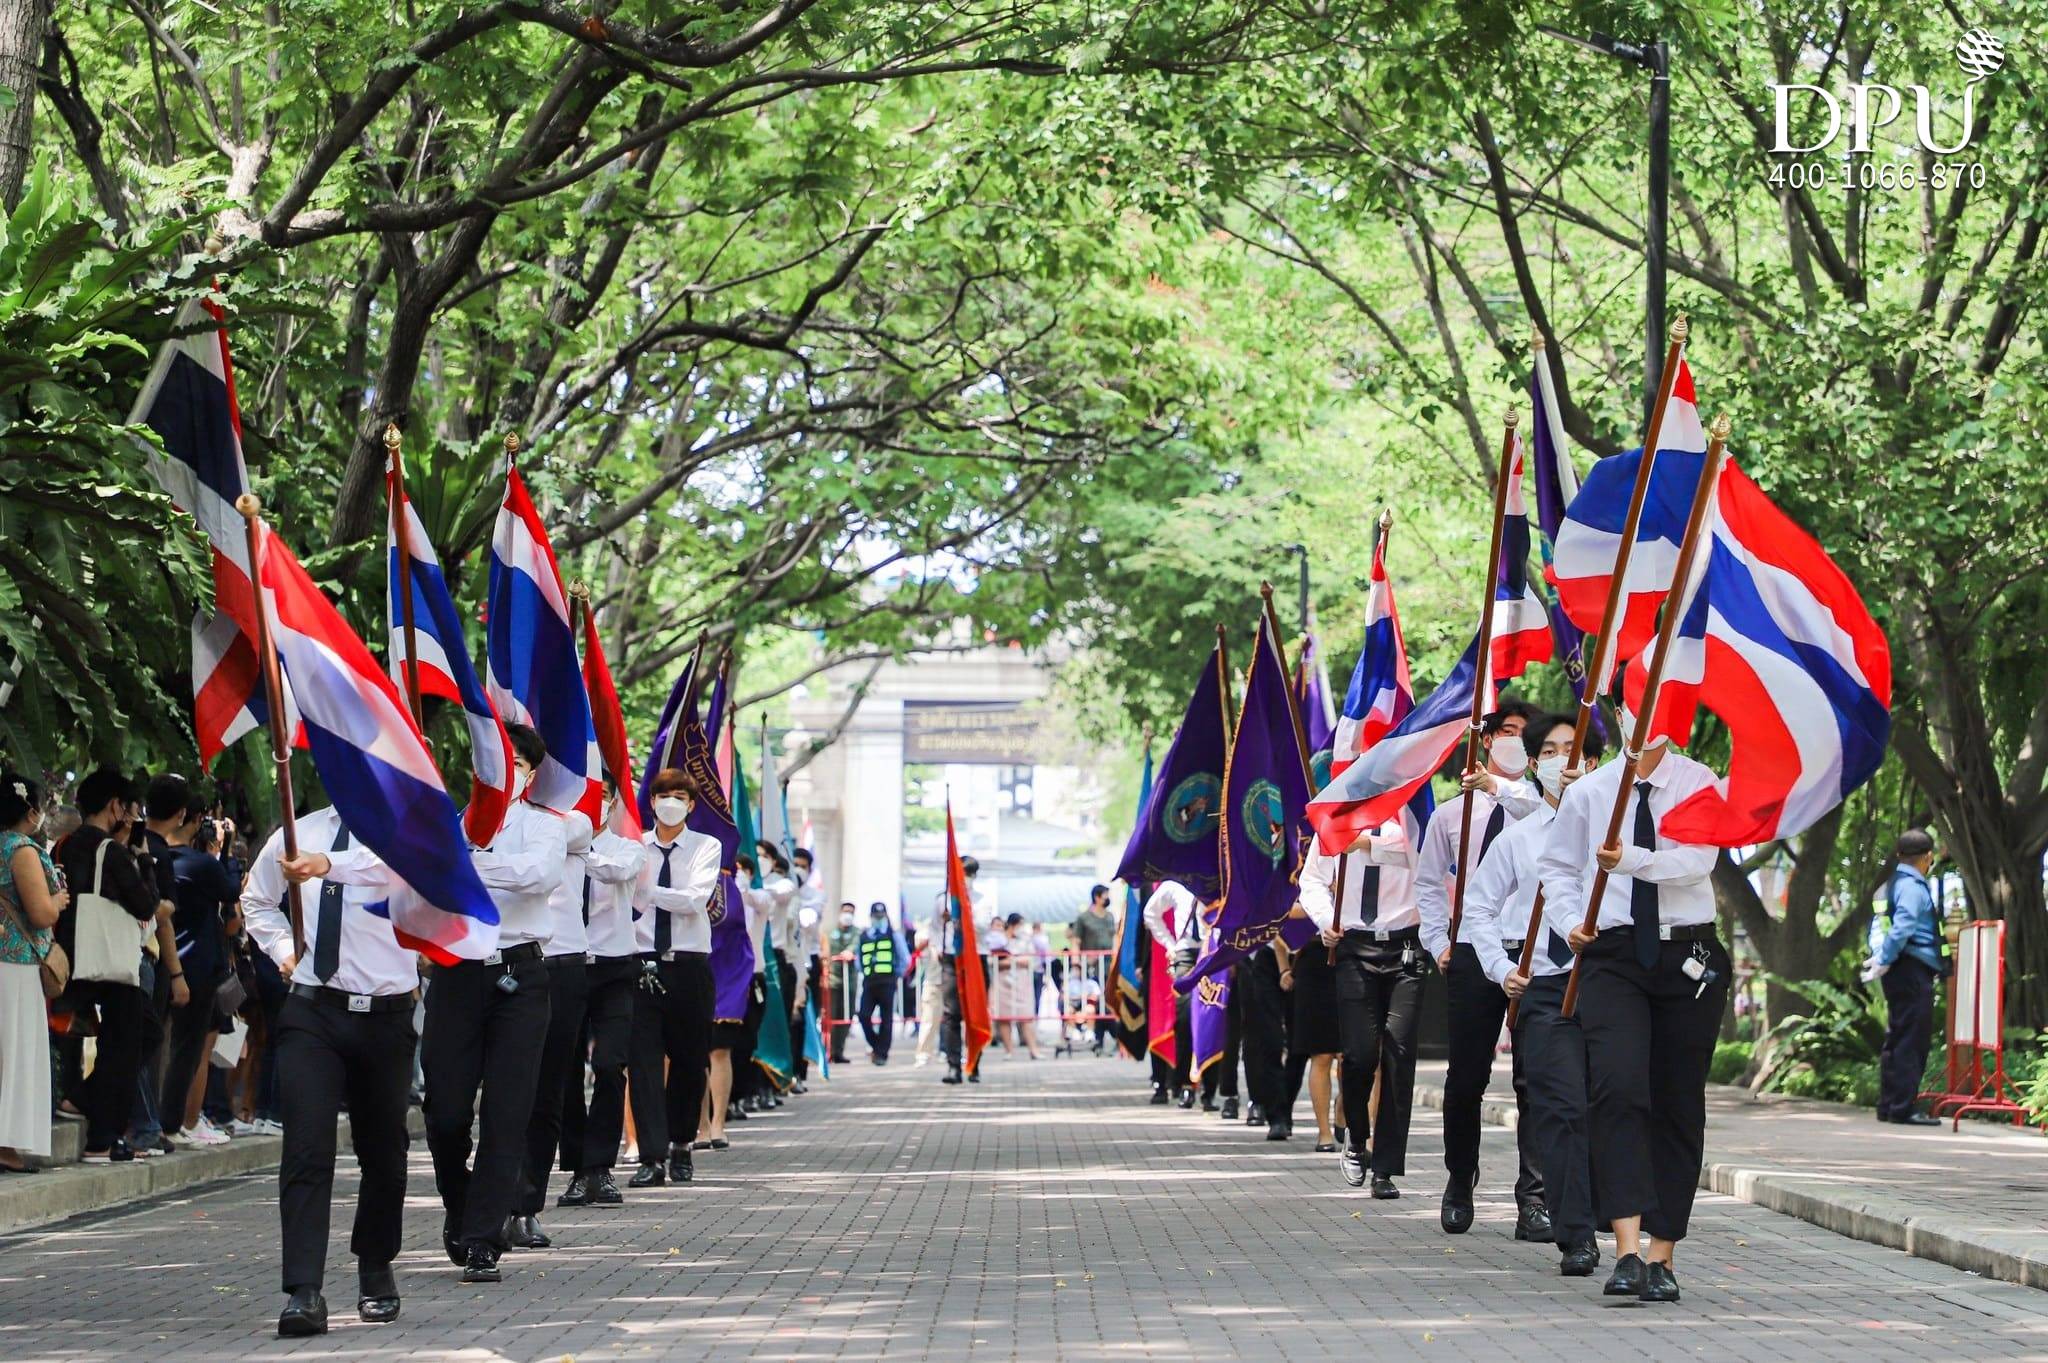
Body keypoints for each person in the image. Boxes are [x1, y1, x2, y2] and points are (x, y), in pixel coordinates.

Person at [1540, 707, 1728, 1306]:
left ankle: (1662, 1254)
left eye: (1664, 698)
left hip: (1688, 954)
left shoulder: (1700, 783)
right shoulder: (1591, 791)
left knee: (1677, 1102)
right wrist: (1571, 921)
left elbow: (1698, 861)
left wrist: (1631, 861)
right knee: (1618, 1090)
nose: (1649, 714)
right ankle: (1624, 1249)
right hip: (1614, 955)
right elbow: (1558, 868)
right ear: (1621, 712)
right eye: (1638, 699)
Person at [243, 805, 416, 1337]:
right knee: (307, 1147)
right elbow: (256, 900)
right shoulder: (298, 832)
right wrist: (282, 949)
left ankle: (375, 1262)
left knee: (384, 1151)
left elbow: (391, 870)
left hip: (385, 1015)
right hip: (313, 1010)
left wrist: (324, 864)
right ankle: (303, 1291)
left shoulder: (408, 827)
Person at [1463, 713, 1607, 1276]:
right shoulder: (1517, 839)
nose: (1559, 759)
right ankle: (1575, 1234)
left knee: (1609, 1104)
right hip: (1545, 986)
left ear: (1592, 762)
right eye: (1547, 750)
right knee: (1560, 1107)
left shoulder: (1612, 836)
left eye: (1570, 749)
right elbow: (1478, 908)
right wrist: (1501, 969)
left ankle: (1611, 1212)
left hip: (1610, 984)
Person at [422, 724, 565, 1284]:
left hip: (520, 975)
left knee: (507, 1114)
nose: (509, 771)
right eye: (498, 759)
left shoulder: (544, 828)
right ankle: (460, 1206)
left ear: (530, 773)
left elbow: (538, 877)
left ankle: (483, 1238)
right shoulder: (447, 822)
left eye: (519, 763)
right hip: (458, 973)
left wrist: (473, 865)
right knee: (446, 1112)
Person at [1415, 700, 1548, 1239]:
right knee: (1466, 1076)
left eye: (1526, 735)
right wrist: (1435, 942)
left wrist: (1501, 790)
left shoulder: (1546, 806)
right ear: (1487, 740)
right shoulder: (1452, 815)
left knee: (1534, 1079)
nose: (1515, 741)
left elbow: (1534, 813)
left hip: (1534, 949)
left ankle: (1533, 1197)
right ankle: (1458, 1179)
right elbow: (1428, 883)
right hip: (1473, 947)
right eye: (1507, 732)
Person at [1299, 805, 1421, 1198]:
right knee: (1359, 1055)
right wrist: (1324, 920)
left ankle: (1384, 1165)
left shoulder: (1413, 813)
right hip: (1354, 946)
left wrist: (1367, 842)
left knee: (1398, 1056)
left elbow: (1417, 854)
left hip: (1405, 946)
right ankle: (1355, 1135)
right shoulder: (1337, 820)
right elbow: (1313, 881)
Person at [56, 769, 160, 1164]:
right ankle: (101, 1138)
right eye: (129, 808)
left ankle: (80, 1099)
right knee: (129, 1040)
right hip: (107, 959)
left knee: (137, 1033)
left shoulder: (63, 845)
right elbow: (146, 905)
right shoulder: (111, 851)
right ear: (115, 805)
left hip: (68, 953)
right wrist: (144, 858)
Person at [627, 768, 721, 1183]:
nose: (671, 803)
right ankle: (651, 1156)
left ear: (691, 804)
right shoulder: (634, 847)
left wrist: (641, 892)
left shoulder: (706, 846)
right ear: (651, 801)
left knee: (688, 1059)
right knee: (643, 1063)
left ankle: (682, 1143)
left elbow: (694, 900)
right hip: (640, 961)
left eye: (680, 796)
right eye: (664, 795)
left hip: (687, 963)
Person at [557, 779, 646, 1207]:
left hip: (614, 970)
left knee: (610, 1066)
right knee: (567, 1070)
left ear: (611, 802)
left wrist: (576, 849)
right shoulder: (552, 847)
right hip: (569, 969)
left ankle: (600, 1167)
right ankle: (576, 1168)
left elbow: (615, 873)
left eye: (599, 798)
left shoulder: (628, 848)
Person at [164, 788, 239, 1149]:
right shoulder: (203, 864)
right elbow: (231, 892)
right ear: (193, 820)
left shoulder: (159, 857)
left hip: (164, 959)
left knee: (163, 1048)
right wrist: (222, 852)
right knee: (192, 1050)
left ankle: (171, 1120)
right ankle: (179, 1122)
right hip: (199, 966)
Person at [1, 773, 65, 1173]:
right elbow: (40, 912)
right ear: (30, 811)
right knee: (15, 1053)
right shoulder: (20, 849)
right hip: (17, 963)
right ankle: (6, 1143)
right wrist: (58, 899)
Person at [1872, 829, 1946, 1127]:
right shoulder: (1913, 887)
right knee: (1911, 1041)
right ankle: (1903, 1108)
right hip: (1912, 968)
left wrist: (1884, 960)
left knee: (1898, 1036)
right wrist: (1885, 958)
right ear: (1927, 857)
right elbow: (1902, 927)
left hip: (1901, 970)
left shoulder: (1894, 883)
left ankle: (1889, 1105)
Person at [1282, 930, 1342, 1150]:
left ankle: (1343, 1107)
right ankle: (1324, 1132)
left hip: (1351, 954)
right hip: (1312, 961)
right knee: (1322, 1054)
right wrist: (1284, 969)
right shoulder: (1303, 895)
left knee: (1349, 1055)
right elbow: (1280, 921)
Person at [856, 902, 900, 1063]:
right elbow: (858, 959)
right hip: (869, 982)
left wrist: (896, 974)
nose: (879, 919)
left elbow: (904, 958)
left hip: (887, 981)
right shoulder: (864, 935)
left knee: (886, 1019)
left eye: (881, 916)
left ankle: (882, 1054)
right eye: (876, 916)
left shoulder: (893, 934)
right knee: (863, 1015)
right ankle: (876, 1045)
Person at [993, 913, 1040, 1059]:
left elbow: (1030, 959)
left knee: (1026, 1017)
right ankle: (1009, 1051)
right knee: (1004, 1017)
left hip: (1022, 982)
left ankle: (1034, 1050)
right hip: (1002, 982)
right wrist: (1015, 960)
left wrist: (1010, 960)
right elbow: (993, 961)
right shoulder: (999, 940)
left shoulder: (1025, 940)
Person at [827, 901, 861, 1064]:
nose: (848, 914)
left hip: (850, 981)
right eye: (845, 911)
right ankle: (830, 1050)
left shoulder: (856, 932)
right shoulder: (831, 931)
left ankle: (839, 1051)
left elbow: (854, 946)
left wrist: (849, 952)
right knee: (832, 1016)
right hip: (833, 980)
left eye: (851, 912)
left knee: (847, 1015)